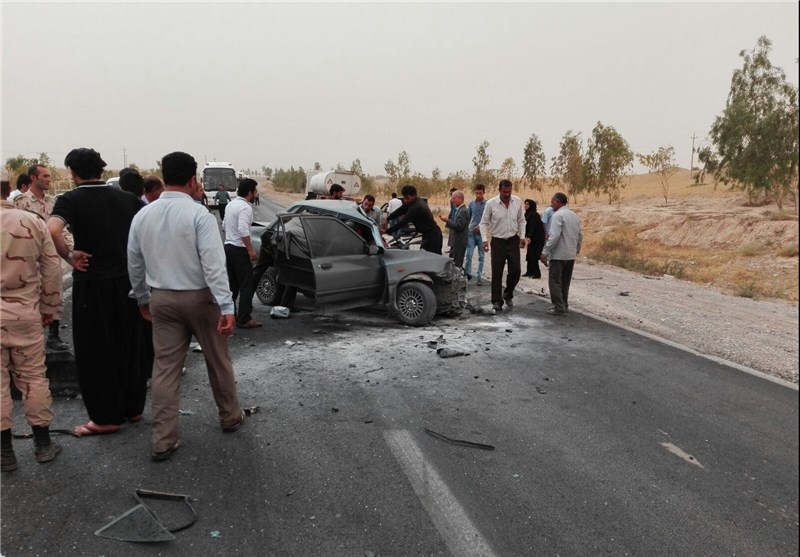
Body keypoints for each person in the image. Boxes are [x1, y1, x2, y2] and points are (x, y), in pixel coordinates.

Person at [128, 151, 245, 461]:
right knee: (218, 359)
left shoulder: (143, 215)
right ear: (194, 180)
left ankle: (163, 441)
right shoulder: (199, 216)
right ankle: (230, 416)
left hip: (161, 298)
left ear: (164, 177)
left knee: (165, 369)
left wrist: (141, 297)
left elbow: (135, 263)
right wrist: (226, 307)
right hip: (201, 298)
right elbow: (214, 264)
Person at [47, 148, 148, 436]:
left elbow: (52, 229)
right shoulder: (128, 199)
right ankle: (133, 408)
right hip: (128, 281)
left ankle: (105, 417)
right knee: (129, 344)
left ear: (73, 172)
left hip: (92, 283)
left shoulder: (71, 199)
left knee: (96, 350)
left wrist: (69, 256)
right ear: (101, 170)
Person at [1, 167, 64, 472]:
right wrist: (49, 309)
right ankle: (42, 444)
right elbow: (52, 269)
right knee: (33, 378)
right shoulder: (30, 220)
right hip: (26, 313)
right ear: (8, 188)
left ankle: (5, 453)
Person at [15, 164, 72, 351]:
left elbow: (62, 230)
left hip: (51, 256)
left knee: (54, 294)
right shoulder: (21, 202)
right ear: (33, 178)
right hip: (29, 258)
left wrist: (71, 252)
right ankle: (31, 336)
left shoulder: (53, 202)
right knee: (30, 296)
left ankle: (53, 336)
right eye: (45, 176)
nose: (49, 179)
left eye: (49, 176)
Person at [479, 179, 526, 311]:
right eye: (504, 192)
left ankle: (508, 293)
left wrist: (522, 237)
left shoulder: (517, 201)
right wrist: (484, 240)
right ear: (499, 190)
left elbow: (521, 221)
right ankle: (497, 301)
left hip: (513, 240)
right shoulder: (491, 204)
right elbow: (483, 223)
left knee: (516, 271)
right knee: (497, 272)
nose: (507, 194)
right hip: (498, 242)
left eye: (509, 191)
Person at [223, 178, 261, 329]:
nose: (256, 195)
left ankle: (230, 315)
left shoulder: (231, 204)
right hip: (239, 249)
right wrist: (251, 250)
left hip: (229, 247)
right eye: (255, 192)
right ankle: (244, 318)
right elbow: (243, 229)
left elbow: (225, 225)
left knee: (233, 285)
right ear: (250, 192)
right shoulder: (245, 208)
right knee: (246, 284)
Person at [540, 192, 583, 316]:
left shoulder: (557, 216)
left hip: (558, 255)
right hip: (570, 255)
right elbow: (580, 235)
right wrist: (576, 249)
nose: (551, 204)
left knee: (555, 281)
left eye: (552, 201)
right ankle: (564, 304)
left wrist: (545, 252)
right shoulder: (574, 215)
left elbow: (554, 236)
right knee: (565, 281)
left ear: (558, 202)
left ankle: (558, 307)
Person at [383, 184, 443, 255]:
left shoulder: (416, 207)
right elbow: (401, 210)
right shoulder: (412, 201)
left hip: (433, 236)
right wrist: (388, 218)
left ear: (414, 195)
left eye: (407, 198)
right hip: (428, 234)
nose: (405, 200)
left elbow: (403, 222)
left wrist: (386, 231)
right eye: (404, 198)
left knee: (430, 258)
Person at [439, 190, 469, 268]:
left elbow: (459, 226)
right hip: (456, 242)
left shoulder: (463, 211)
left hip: (459, 242)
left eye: (454, 198)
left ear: (460, 199)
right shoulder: (459, 210)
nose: (452, 201)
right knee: (453, 263)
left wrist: (447, 220)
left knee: (457, 265)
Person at [464, 184, 486, 285]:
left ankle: (479, 277)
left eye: (480, 193)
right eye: (476, 193)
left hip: (482, 234)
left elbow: (489, 219)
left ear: (484, 192)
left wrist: (481, 228)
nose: (478, 195)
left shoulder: (487, 204)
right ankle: (467, 275)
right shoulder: (471, 204)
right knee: (469, 255)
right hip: (471, 233)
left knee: (481, 256)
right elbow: (468, 217)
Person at [523, 199, 546, 278]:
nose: (525, 206)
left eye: (527, 204)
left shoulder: (534, 215)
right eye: (525, 204)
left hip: (537, 239)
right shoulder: (527, 214)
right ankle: (529, 272)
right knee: (529, 254)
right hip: (532, 238)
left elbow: (532, 227)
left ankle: (536, 273)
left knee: (534, 255)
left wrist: (529, 237)